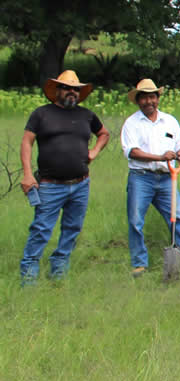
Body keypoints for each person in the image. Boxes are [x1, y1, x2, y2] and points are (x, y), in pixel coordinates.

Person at [19, 71, 112, 284]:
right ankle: (28, 279)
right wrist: (26, 174)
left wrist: (94, 152)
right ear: (57, 90)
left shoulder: (86, 115)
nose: (72, 92)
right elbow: (27, 142)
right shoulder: (41, 114)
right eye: (67, 88)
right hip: (50, 185)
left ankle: (58, 273)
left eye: (76, 89)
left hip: (80, 184)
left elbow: (104, 134)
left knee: (72, 229)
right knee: (41, 230)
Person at [120, 79, 180, 277]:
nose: (149, 101)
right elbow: (132, 152)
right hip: (141, 178)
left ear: (157, 98)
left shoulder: (169, 121)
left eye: (152, 97)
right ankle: (139, 263)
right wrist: (160, 157)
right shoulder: (131, 124)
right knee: (135, 220)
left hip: (167, 178)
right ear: (138, 100)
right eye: (144, 98)